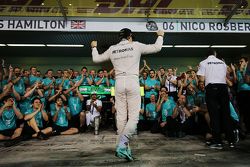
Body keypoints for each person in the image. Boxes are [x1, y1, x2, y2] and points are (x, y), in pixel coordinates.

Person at [91, 28, 164, 161]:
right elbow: (157, 47)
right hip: (132, 82)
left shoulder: (113, 48)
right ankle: (123, 144)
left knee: (121, 117)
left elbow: (96, 59)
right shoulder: (135, 45)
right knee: (134, 117)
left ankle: (124, 148)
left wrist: (94, 47)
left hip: (118, 83)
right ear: (130, 36)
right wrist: (160, 36)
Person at [197, 49, 235, 149]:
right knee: (226, 114)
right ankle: (231, 140)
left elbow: (201, 79)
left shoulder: (203, 62)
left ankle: (218, 142)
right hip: (223, 88)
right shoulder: (222, 62)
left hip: (212, 88)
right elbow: (225, 76)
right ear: (215, 54)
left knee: (214, 115)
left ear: (206, 56)